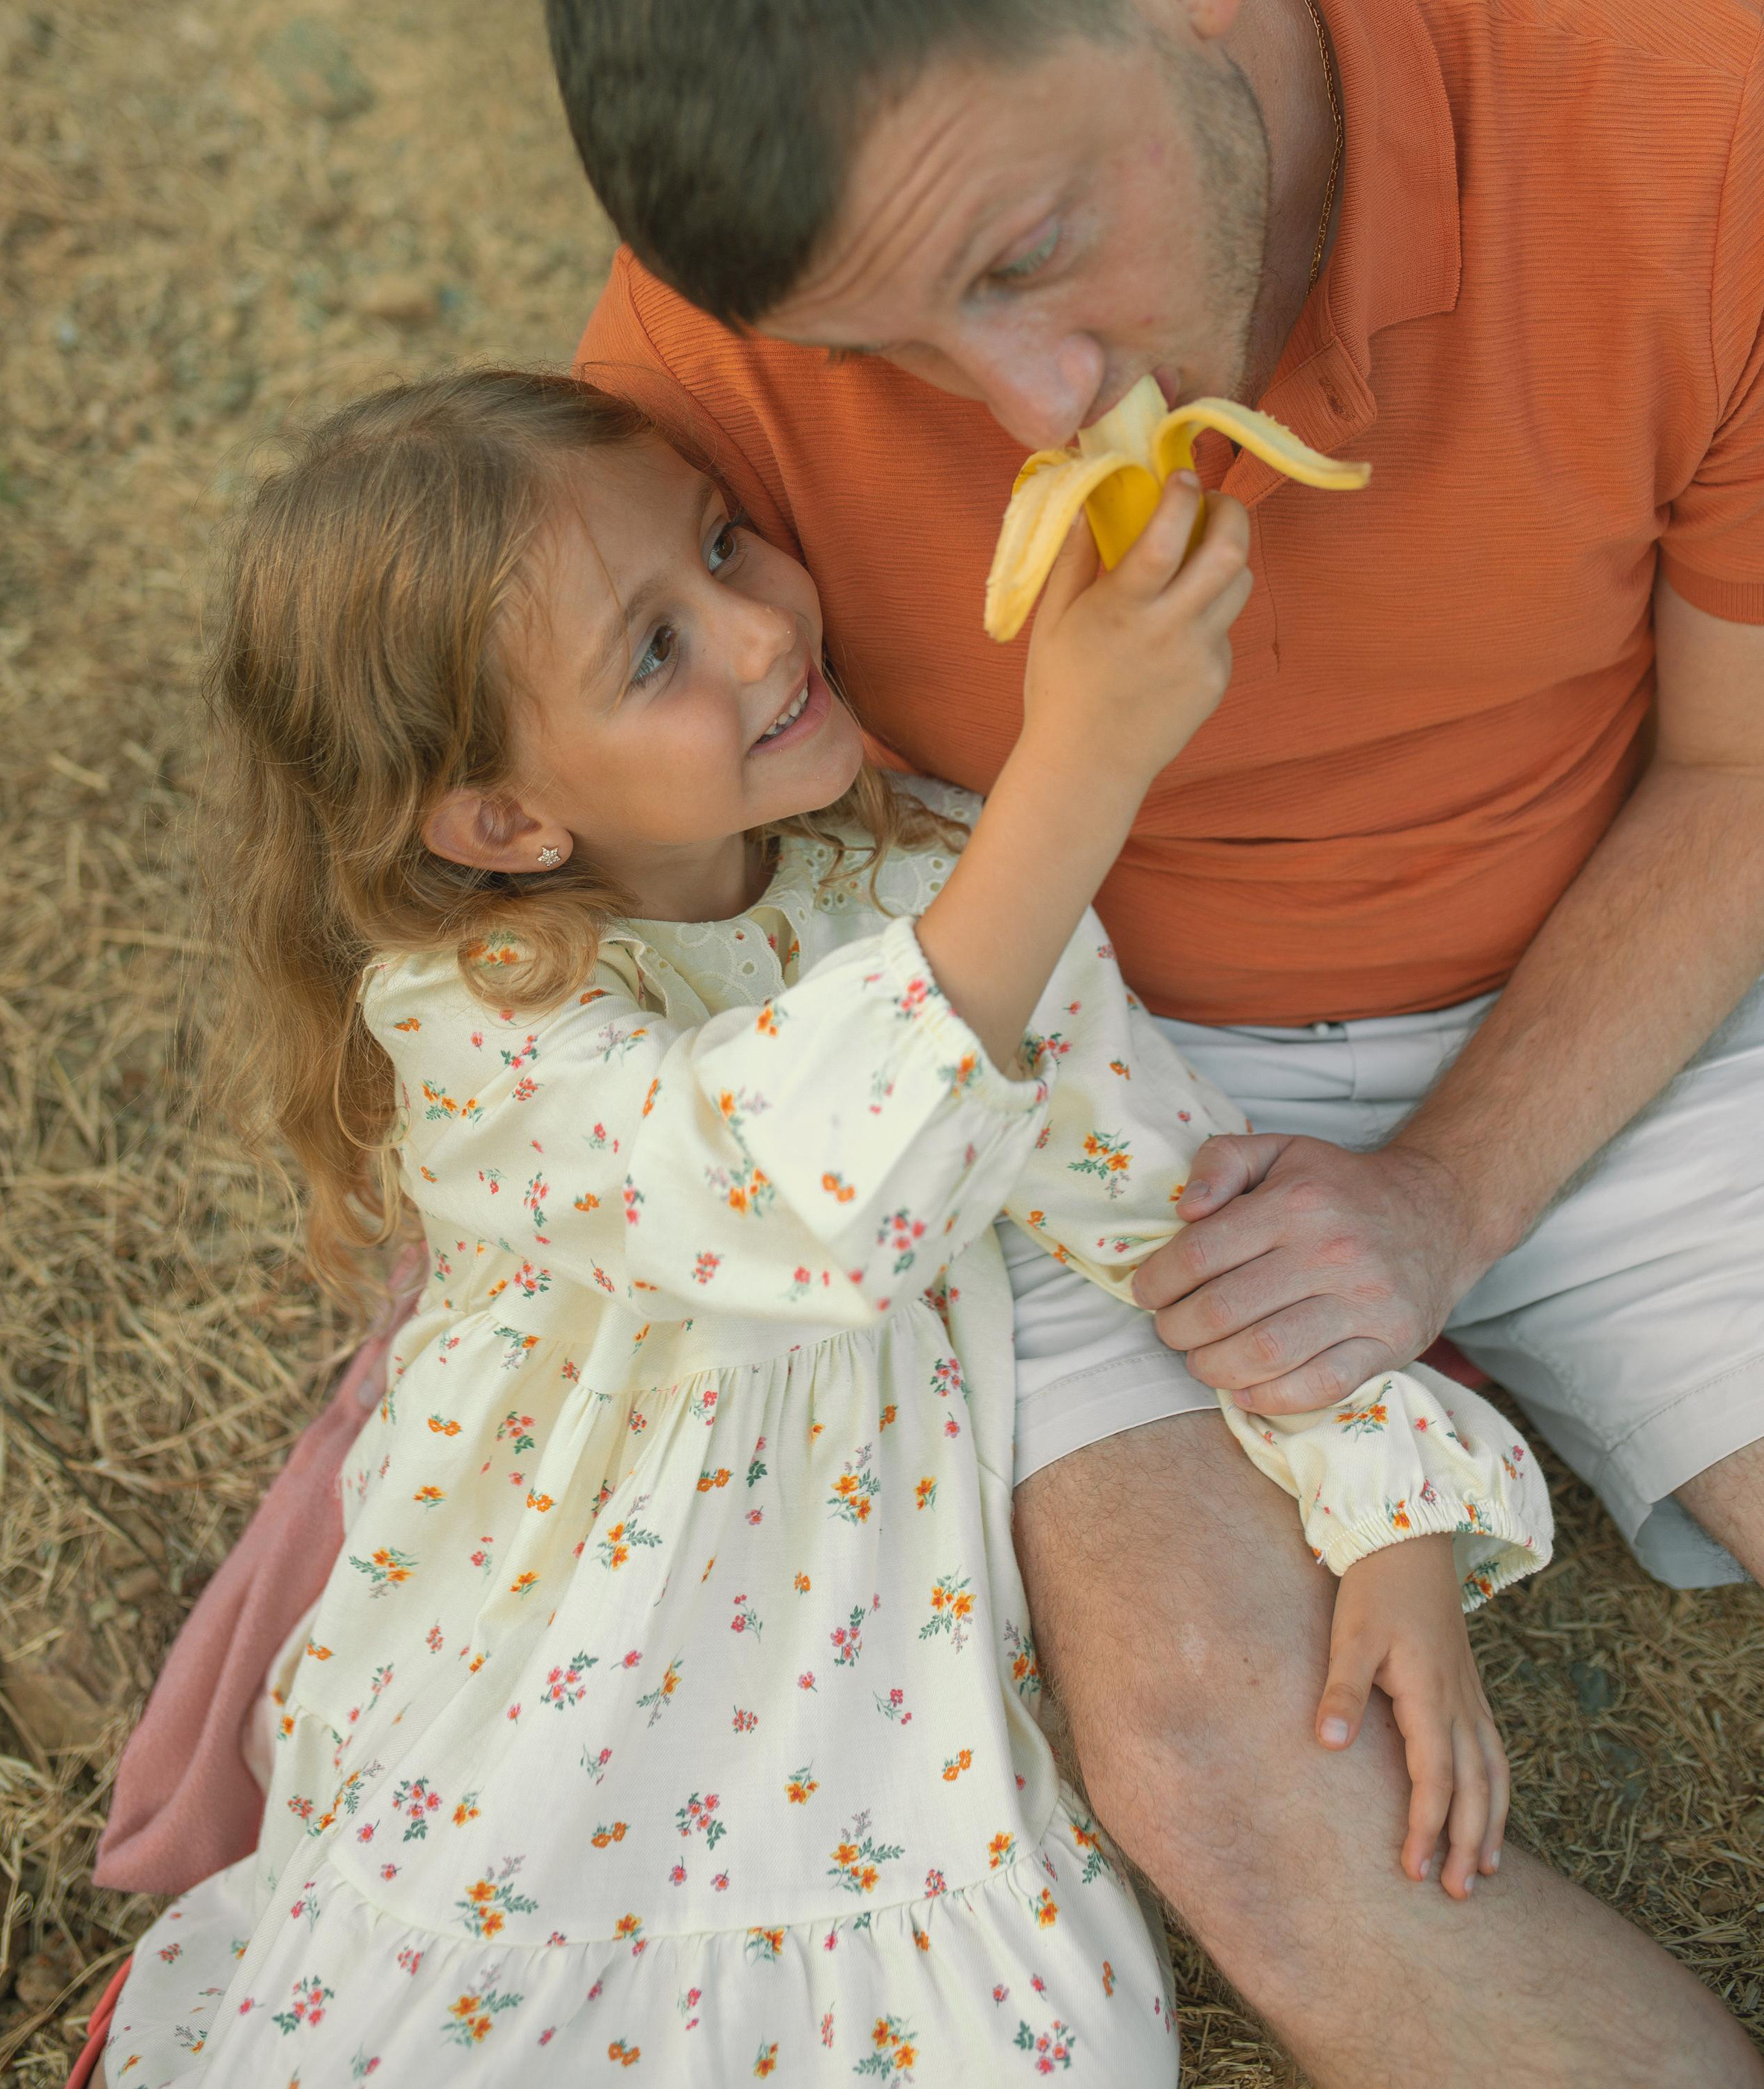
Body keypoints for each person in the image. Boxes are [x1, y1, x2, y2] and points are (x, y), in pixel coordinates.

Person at [553, 0, 1764, 2083]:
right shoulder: (689, 371)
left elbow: (1744, 771)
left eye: (1024, 256)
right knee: (1235, 1779)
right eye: (887, 344)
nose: (1029, 407)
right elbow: (642, 910)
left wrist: (1443, 1193)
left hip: (1619, 991)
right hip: (1067, 1071)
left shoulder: (1679, 105)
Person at [87, 368, 1546, 2086]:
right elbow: (782, 1196)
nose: (760, 632)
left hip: (862, 1689)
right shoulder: (478, 1017)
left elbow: (1162, 1197)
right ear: (501, 820)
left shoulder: (929, 885)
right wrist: (1069, 785)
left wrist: (1388, 1515)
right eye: (654, 650)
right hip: (556, 1663)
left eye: (722, 544)